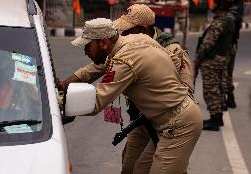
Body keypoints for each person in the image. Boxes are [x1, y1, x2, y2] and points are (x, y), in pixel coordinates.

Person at [61, 17, 202, 174]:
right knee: (138, 170)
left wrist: (55, 103)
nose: (85, 51)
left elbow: (95, 101)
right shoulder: (137, 39)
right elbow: (174, 60)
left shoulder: (123, 60)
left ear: (104, 42)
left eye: (88, 46)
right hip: (162, 121)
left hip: (179, 125)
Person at [112, 3, 194, 174]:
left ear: (143, 29)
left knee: (145, 169)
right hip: (141, 122)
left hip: (164, 123)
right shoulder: (129, 49)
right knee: (128, 167)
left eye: (127, 30)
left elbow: (185, 93)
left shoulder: (171, 49)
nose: (123, 34)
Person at [194, 0, 235, 131]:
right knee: (217, 89)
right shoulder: (229, 19)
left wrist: (198, 59)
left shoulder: (220, 22)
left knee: (211, 90)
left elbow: (207, 44)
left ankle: (215, 119)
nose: (213, 5)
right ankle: (217, 118)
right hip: (221, 60)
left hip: (212, 61)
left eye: (215, 2)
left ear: (221, 5)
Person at [224, 0, 243, 109]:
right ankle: (229, 98)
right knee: (227, 73)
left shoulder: (233, 14)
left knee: (225, 73)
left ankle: (228, 99)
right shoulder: (234, 12)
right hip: (230, 44)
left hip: (229, 45)